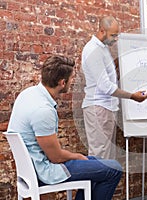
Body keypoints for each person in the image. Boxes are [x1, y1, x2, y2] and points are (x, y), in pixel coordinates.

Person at [7, 55, 123, 200]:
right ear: (62, 82)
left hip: (32, 167)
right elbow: (55, 157)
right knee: (114, 169)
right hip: (45, 171)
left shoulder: (28, 94)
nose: (72, 82)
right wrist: (78, 156)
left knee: (97, 162)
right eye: (71, 78)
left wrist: (81, 159)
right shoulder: (43, 110)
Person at [81, 16, 147, 159]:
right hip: (98, 107)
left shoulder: (102, 48)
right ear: (101, 31)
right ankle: (96, 182)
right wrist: (132, 96)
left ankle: (103, 181)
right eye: (113, 35)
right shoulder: (93, 50)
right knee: (100, 155)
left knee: (107, 156)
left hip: (106, 108)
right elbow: (105, 86)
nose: (116, 39)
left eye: (117, 35)